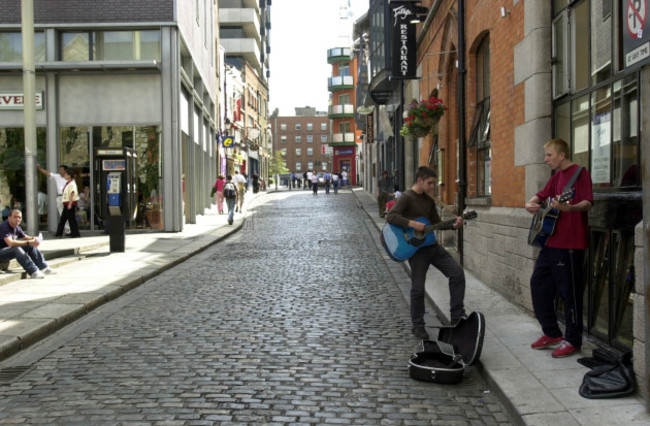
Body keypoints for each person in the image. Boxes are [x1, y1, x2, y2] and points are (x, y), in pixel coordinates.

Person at [525, 138, 593, 358]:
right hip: (550, 242)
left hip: (570, 244)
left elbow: (588, 202)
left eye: (549, 155)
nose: (546, 159)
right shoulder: (556, 177)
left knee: (569, 293)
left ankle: (573, 339)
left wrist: (569, 207)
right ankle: (552, 332)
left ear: (562, 155)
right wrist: (531, 203)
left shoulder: (580, 173)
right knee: (538, 284)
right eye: (546, 156)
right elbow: (542, 195)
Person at [386, 166, 467, 340]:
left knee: (457, 273)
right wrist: (413, 225)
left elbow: (437, 223)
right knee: (418, 288)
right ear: (420, 181)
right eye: (429, 183)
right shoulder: (407, 197)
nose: (432, 187)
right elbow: (391, 216)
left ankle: (457, 316)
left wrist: (453, 224)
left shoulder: (429, 200)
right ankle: (418, 325)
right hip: (416, 250)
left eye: (433, 183)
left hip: (433, 247)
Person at [0, 209, 54, 279]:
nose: (17, 219)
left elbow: (25, 237)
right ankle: (33, 271)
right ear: (9, 217)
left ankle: (44, 268)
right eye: (15, 217)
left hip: (6, 251)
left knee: (29, 246)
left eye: (19, 217)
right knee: (16, 249)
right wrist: (29, 242)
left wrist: (34, 239)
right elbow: (10, 243)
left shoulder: (16, 227)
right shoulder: (4, 226)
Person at [37, 164, 70, 235]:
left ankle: (68, 230)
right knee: (62, 214)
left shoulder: (69, 177)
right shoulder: (57, 176)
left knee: (67, 214)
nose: (60, 171)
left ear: (65, 170)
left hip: (67, 197)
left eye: (61, 170)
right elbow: (47, 173)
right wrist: (39, 169)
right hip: (60, 197)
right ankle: (67, 230)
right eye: (59, 170)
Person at [56, 170, 81, 238]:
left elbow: (72, 193)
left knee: (71, 219)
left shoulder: (72, 184)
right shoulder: (68, 183)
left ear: (69, 176)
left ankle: (75, 233)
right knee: (63, 218)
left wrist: (70, 204)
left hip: (70, 203)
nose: (65, 176)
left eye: (66, 175)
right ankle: (59, 232)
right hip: (67, 203)